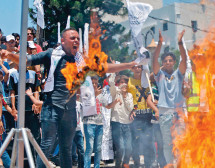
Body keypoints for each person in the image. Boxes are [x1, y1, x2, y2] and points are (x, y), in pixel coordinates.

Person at [0, 27, 137, 168]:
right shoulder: (51, 54)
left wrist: (128, 65)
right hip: (52, 107)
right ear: (63, 40)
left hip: (70, 110)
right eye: (73, 38)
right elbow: (27, 60)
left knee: (67, 148)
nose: (76, 40)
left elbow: (103, 67)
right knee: (47, 146)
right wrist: (9, 55)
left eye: (78, 38)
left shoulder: (81, 59)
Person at [152, 30, 187, 165]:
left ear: (173, 62)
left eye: (170, 60)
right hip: (164, 114)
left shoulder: (179, 74)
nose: (167, 62)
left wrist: (180, 42)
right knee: (167, 144)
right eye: (165, 61)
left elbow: (184, 59)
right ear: (163, 63)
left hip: (178, 113)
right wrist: (159, 44)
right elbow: (154, 59)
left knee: (180, 143)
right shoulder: (159, 75)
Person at [128, 65, 154, 168]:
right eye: (135, 67)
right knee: (136, 142)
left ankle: (148, 164)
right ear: (132, 69)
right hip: (136, 115)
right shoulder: (129, 81)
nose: (137, 69)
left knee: (148, 141)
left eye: (140, 67)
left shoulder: (148, 80)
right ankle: (137, 163)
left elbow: (157, 72)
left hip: (148, 114)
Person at [109, 73, 133, 168]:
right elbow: (111, 82)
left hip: (127, 124)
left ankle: (125, 165)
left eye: (125, 83)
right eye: (121, 82)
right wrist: (115, 71)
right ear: (118, 84)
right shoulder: (115, 92)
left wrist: (125, 96)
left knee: (129, 148)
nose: (123, 84)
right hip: (116, 122)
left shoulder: (129, 95)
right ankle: (118, 165)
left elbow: (130, 108)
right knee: (121, 148)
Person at [146, 73, 167, 168]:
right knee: (158, 141)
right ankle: (159, 161)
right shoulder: (153, 88)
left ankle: (166, 161)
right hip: (156, 120)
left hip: (167, 119)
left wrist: (159, 102)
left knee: (166, 142)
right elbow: (149, 101)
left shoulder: (167, 87)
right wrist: (156, 110)